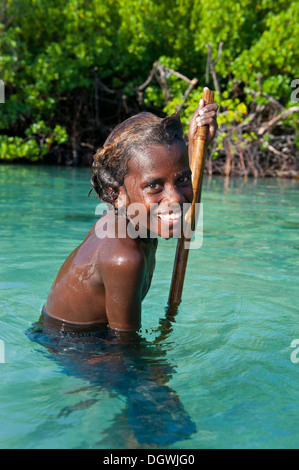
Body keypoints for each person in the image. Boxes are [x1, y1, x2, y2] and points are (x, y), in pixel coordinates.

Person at [43, 93, 218, 332]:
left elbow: (166, 178)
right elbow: (125, 351)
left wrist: (196, 142)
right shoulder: (125, 258)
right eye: (154, 186)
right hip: (73, 346)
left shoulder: (133, 217)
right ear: (117, 194)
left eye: (183, 179)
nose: (176, 198)